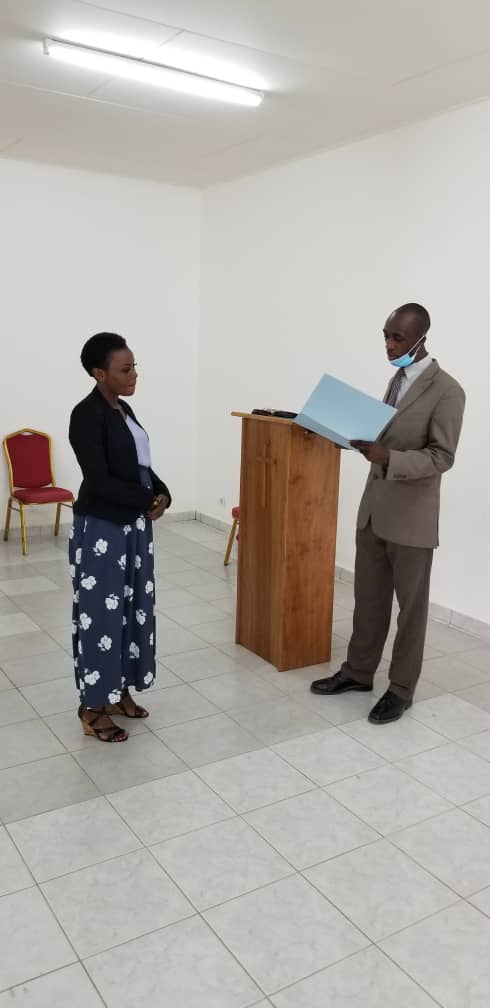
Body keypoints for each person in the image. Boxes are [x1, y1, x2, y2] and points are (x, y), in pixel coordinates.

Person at [311, 303, 465, 724]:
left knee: (410, 611)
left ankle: (400, 689)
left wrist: (389, 457)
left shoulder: (448, 390)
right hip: (374, 511)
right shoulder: (396, 380)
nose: (389, 345)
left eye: (398, 338)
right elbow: (387, 437)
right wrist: (352, 437)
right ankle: (358, 673)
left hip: (412, 518)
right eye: (386, 335)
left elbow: (442, 456)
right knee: (368, 600)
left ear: (421, 339)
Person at [69, 332, 171, 742]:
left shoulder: (123, 409)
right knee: (102, 616)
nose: (134, 375)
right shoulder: (86, 415)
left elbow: (141, 464)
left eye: (134, 367)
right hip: (103, 528)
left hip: (134, 525)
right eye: (125, 369)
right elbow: (99, 479)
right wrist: (147, 498)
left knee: (132, 610)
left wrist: (162, 492)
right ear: (99, 373)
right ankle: (93, 707)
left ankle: (118, 691)